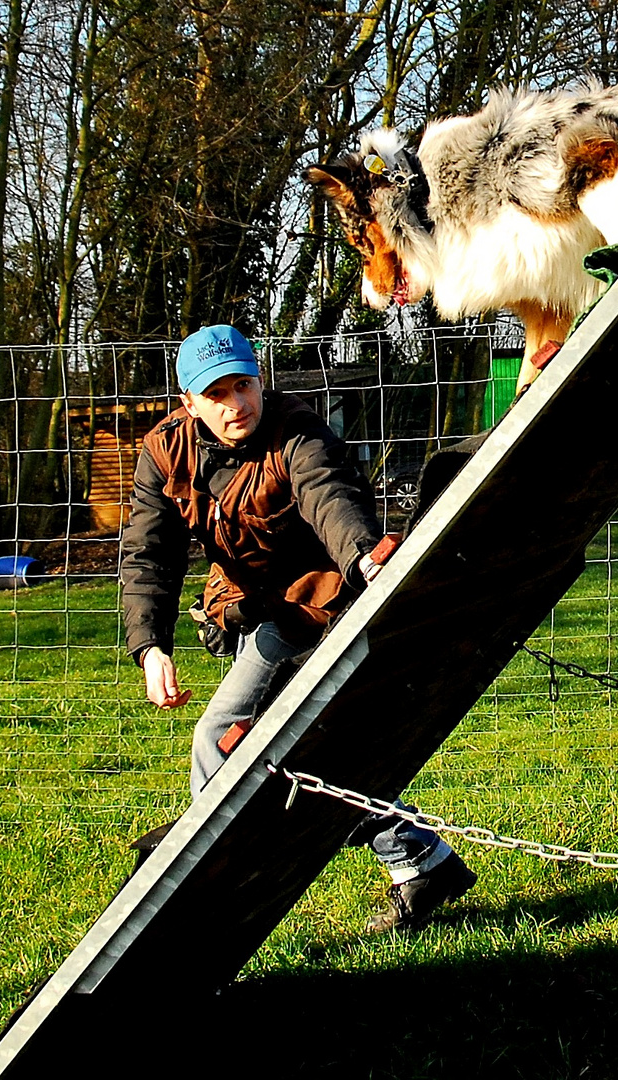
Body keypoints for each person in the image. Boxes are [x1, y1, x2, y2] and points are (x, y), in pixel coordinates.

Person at [119, 324, 475, 933]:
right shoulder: (163, 453)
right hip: (246, 611)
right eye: (218, 394)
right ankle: (421, 861)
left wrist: (365, 554)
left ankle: (214, 892)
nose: (237, 404)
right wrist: (150, 645)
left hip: (315, 607)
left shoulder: (297, 431)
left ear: (261, 380)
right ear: (189, 403)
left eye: (244, 384)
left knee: (222, 737)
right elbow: (149, 553)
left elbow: (329, 496)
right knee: (307, 754)